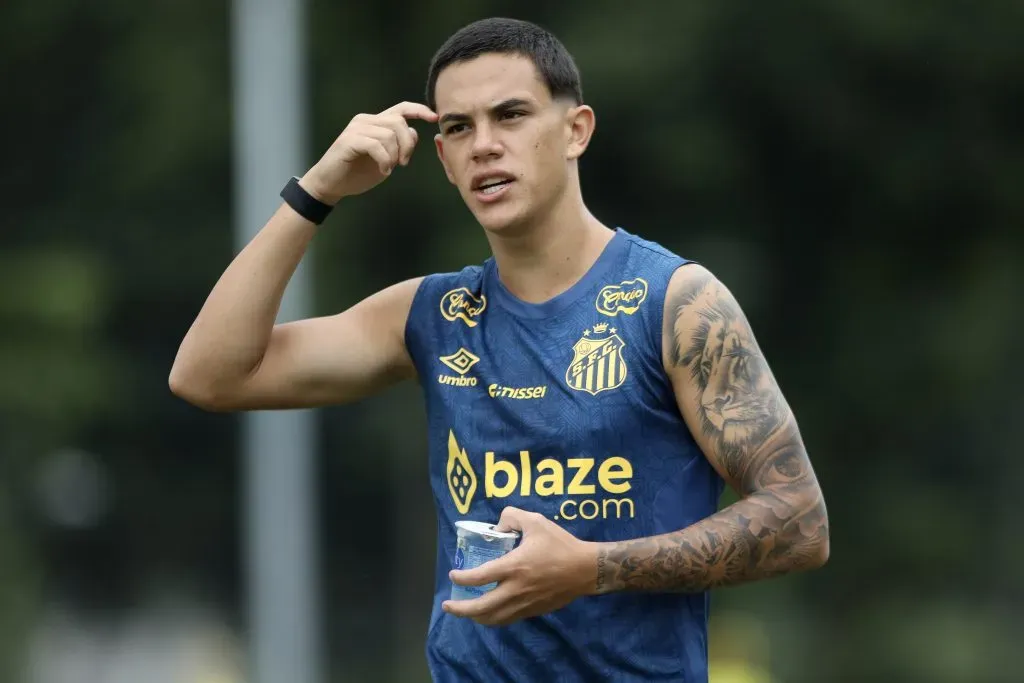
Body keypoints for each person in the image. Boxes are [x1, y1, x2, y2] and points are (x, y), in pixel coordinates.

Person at [169, 16, 829, 683]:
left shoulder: (675, 303)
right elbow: (209, 374)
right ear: (444, 160)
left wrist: (591, 568)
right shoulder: (431, 315)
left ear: (576, 131)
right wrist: (318, 191)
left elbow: (800, 521)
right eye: (459, 128)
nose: (484, 145)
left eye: (510, 115)